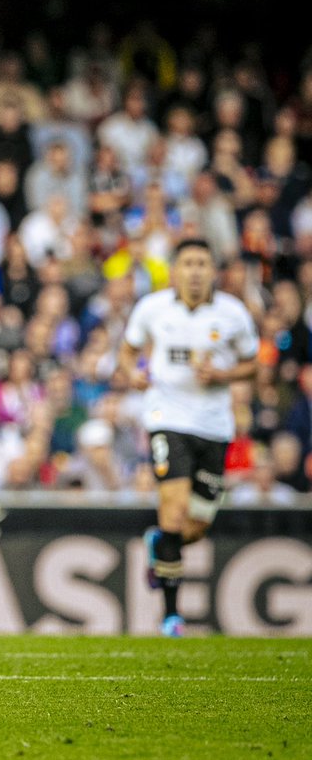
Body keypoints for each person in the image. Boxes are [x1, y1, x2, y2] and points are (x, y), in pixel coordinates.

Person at [117, 238, 258, 638]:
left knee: (192, 528)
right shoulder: (153, 308)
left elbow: (252, 365)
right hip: (167, 416)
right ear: (175, 271)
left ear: (213, 270)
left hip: (214, 426)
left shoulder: (233, 314)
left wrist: (223, 376)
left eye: (202, 263)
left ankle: (158, 542)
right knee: (174, 511)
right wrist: (132, 373)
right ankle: (171, 617)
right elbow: (127, 351)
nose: (195, 271)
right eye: (188, 263)